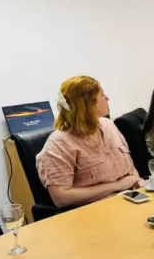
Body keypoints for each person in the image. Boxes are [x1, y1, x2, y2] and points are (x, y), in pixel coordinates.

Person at [37, 76, 144, 208]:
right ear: (88, 104)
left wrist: (136, 180)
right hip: (95, 212)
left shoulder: (108, 125)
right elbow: (61, 197)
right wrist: (116, 186)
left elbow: (129, 166)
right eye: (102, 95)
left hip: (129, 201)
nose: (107, 98)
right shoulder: (59, 143)